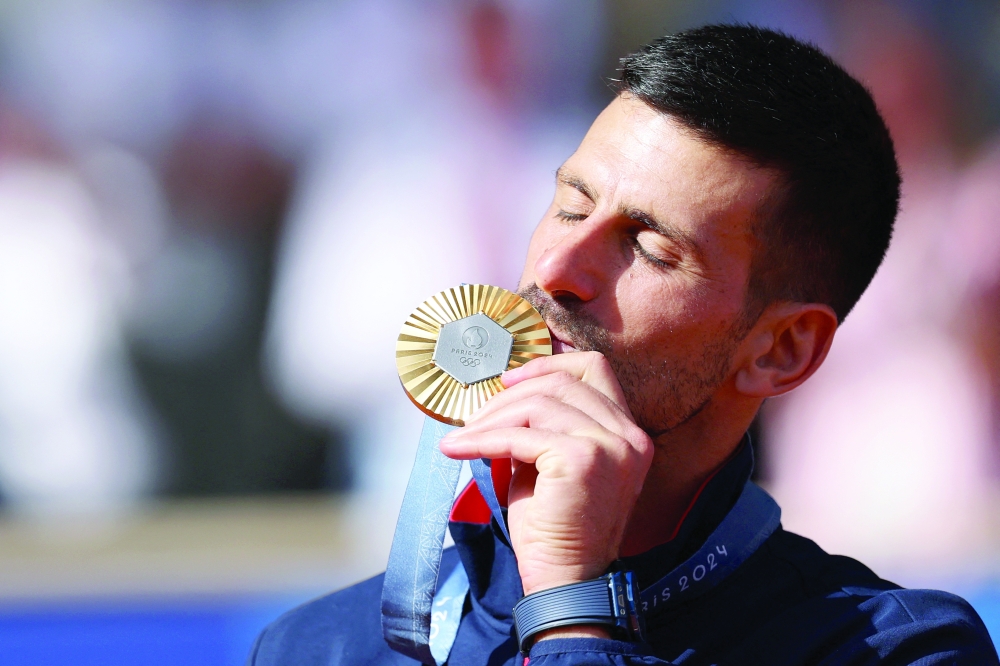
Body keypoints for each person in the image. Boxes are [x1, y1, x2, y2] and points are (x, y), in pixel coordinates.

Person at [247, 25, 999, 665]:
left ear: (782, 349)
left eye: (648, 246)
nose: (554, 270)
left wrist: (572, 607)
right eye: (570, 206)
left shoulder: (888, 648)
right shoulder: (319, 647)